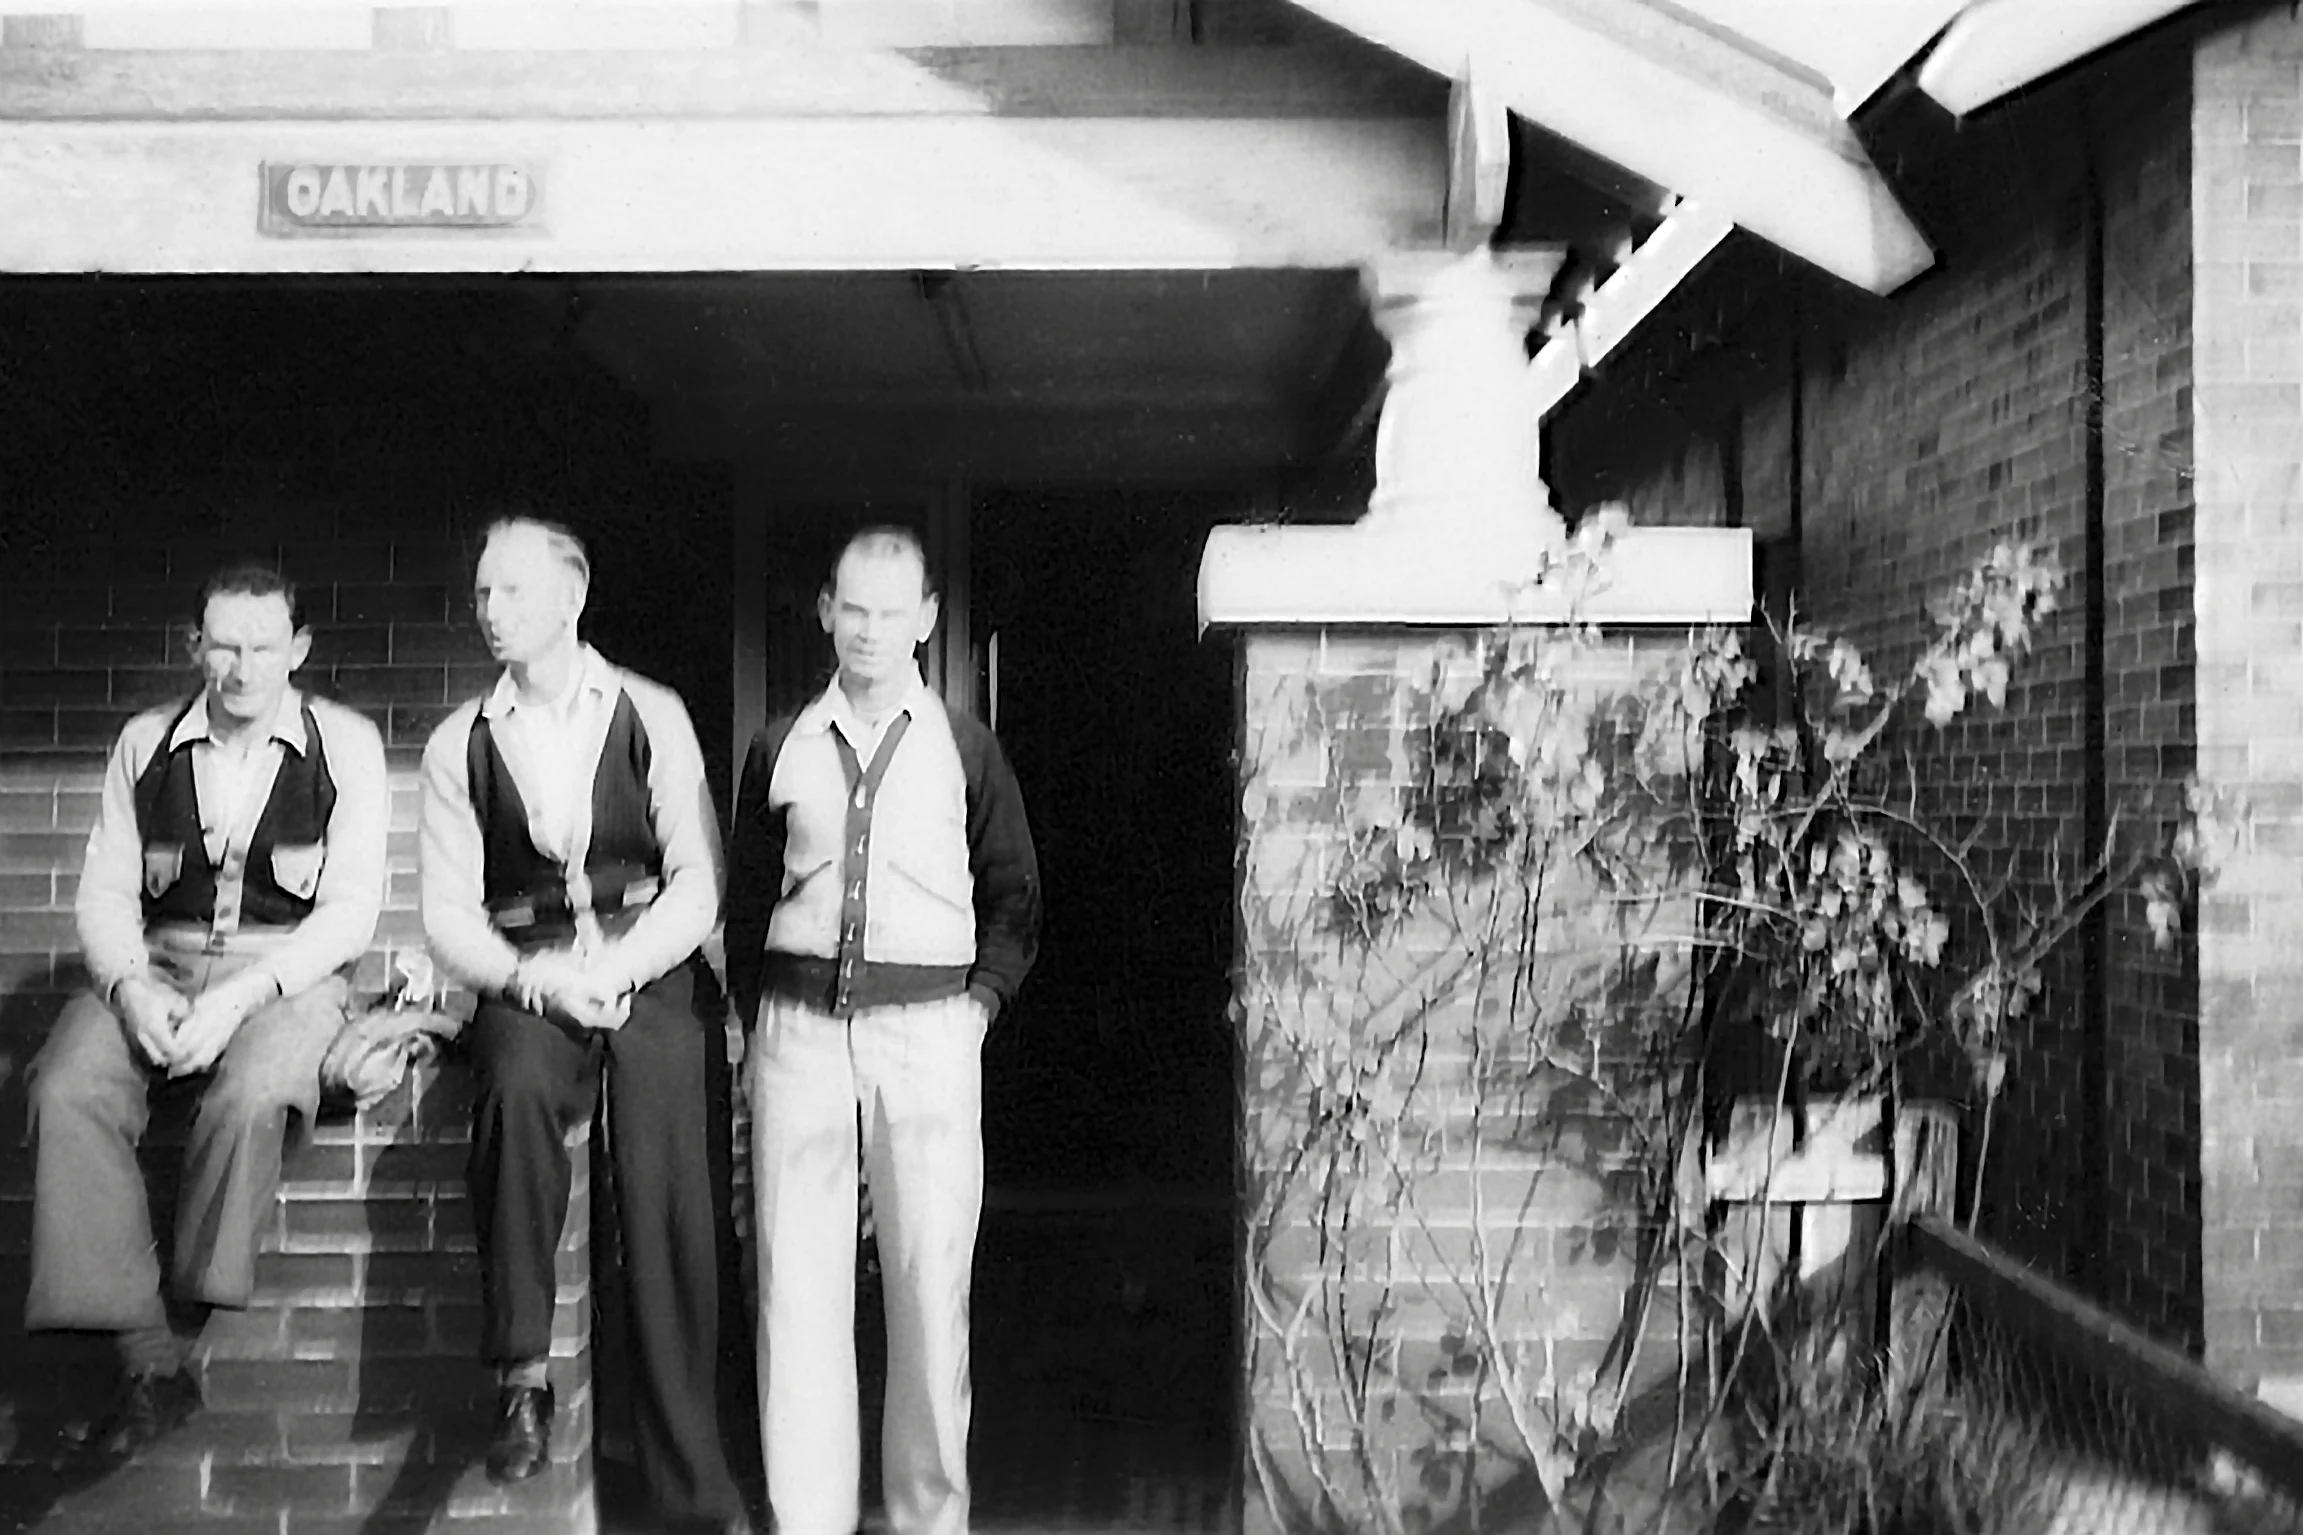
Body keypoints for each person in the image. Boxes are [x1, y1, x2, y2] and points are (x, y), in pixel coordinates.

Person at [418, 517, 747, 1534]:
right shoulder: (458, 740)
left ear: (572, 596)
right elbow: (444, 916)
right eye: (481, 593)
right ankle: (522, 1377)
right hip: (534, 975)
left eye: (511, 591)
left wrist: (627, 963)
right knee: (513, 1091)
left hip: (647, 964)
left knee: (670, 1193)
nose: (491, 612)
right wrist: (535, 981)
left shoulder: (650, 712)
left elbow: (698, 884)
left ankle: (693, 1487)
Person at [27, 563, 387, 1464]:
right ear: (194, 645)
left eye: (264, 646)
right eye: (222, 644)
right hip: (160, 961)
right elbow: (106, 895)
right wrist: (129, 987)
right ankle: (150, 1361)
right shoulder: (144, 740)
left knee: (255, 1092)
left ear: (296, 649)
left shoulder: (344, 743)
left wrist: (240, 999)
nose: (241, 667)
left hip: (288, 978)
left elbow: (348, 912)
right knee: (66, 1084)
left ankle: (173, 1345)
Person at [726, 525, 1040, 1535]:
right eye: (851, 609)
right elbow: (742, 904)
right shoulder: (779, 745)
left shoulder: (963, 744)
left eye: (889, 611)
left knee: (926, 1276)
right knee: (797, 1284)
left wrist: (976, 1008)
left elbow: (1014, 896)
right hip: (797, 1034)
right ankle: (807, 1514)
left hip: (928, 1034)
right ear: (824, 611)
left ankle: (924, 1517)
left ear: (925, 619)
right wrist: (755, 1023)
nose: (868, 630)